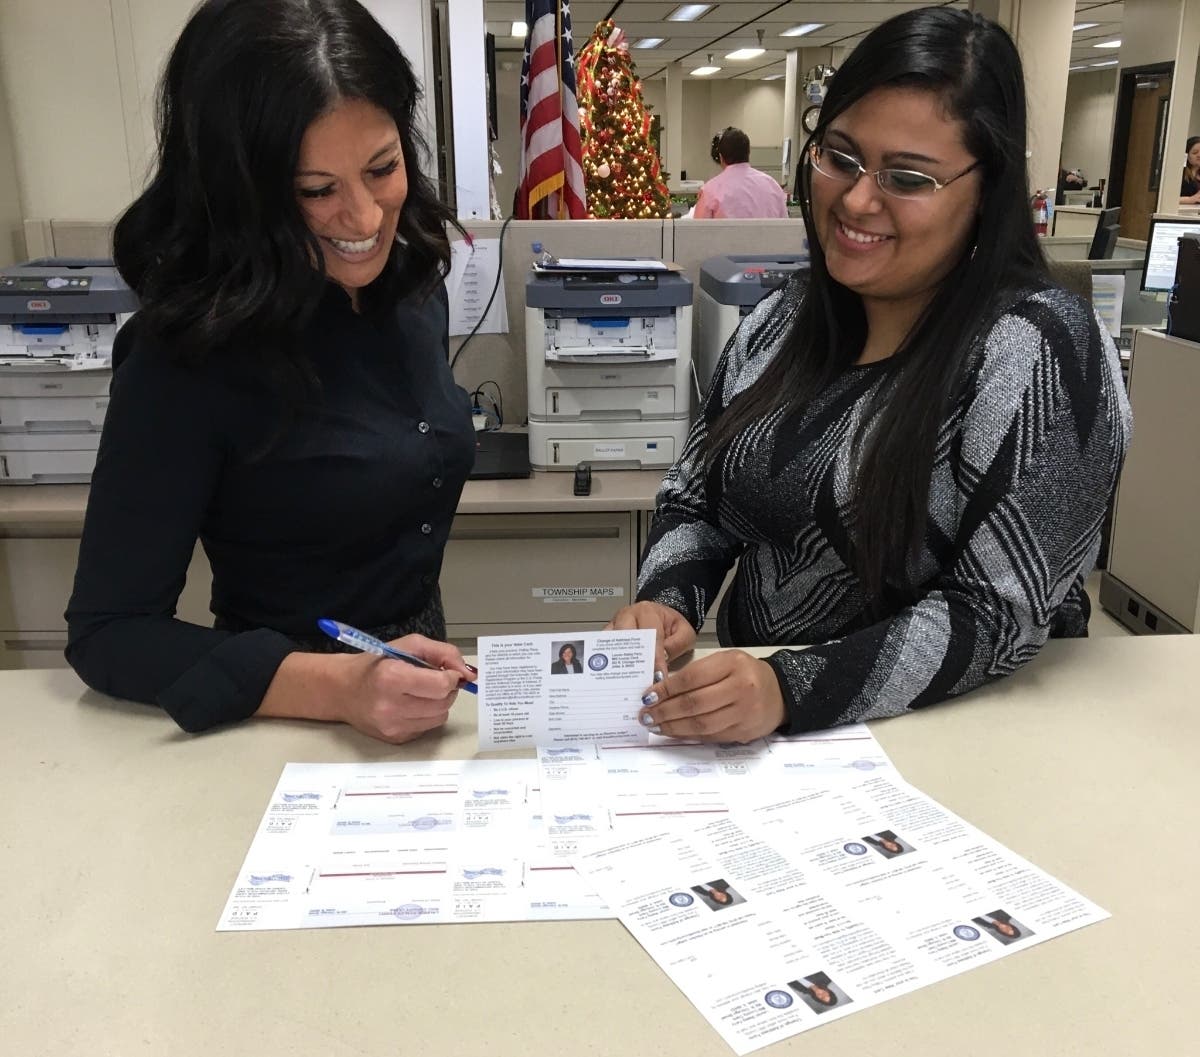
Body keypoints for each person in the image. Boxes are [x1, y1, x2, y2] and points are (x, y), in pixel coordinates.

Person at [611, 7, 1132, 741]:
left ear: (987, 188)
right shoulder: (785, 317)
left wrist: (791, 689)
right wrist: (669, 599)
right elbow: (698, 498)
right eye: (841, 157)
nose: (856, 199)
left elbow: (997, 611)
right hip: (768, 739)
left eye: (908, 177)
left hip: (956, 739)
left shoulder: (1039, 349)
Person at [64, 0, 476, 743]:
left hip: (412, 693)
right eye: (317, 190)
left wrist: (388, 675)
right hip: (278, 712)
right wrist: (340, 687)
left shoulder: (415, 284)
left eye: (382, 168)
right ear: (241, 192)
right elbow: (109, 632)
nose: (364, 219)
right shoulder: (184, 354)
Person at [692, 127, 788, 220]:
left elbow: (698, 229)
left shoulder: (710, 190)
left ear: (721, 157)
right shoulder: (772, 185)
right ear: (748, 152)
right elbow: (785, 226)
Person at [1181, 136, 1200, 204]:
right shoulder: (1180, 173)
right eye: (1195, 152)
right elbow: (1166, 198)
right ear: (1187, 155)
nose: (1199, 155)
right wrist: (1190, 199)